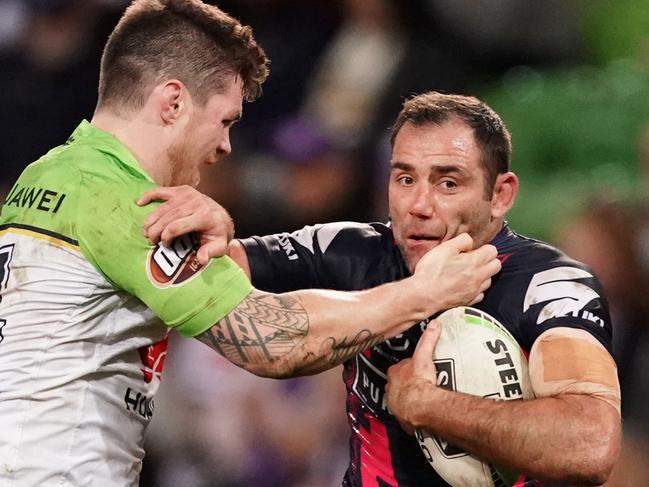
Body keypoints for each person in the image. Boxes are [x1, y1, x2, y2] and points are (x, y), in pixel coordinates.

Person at [0, 2, 501, 485]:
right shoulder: (125, 204)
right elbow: (274, 343)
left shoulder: (49, 176)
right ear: (173, 102)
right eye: (224, 120)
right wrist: (424, 293)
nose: (226, 146)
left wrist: (227, 243)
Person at [146, 92, 621, 486]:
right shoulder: (355, 250)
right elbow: (213, 261)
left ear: (500, 195)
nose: (418, 205)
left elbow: (591, 446)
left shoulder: (551, 286)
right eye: (405, 178)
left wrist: (429, 405)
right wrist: (207, 226)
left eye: (448, 182)